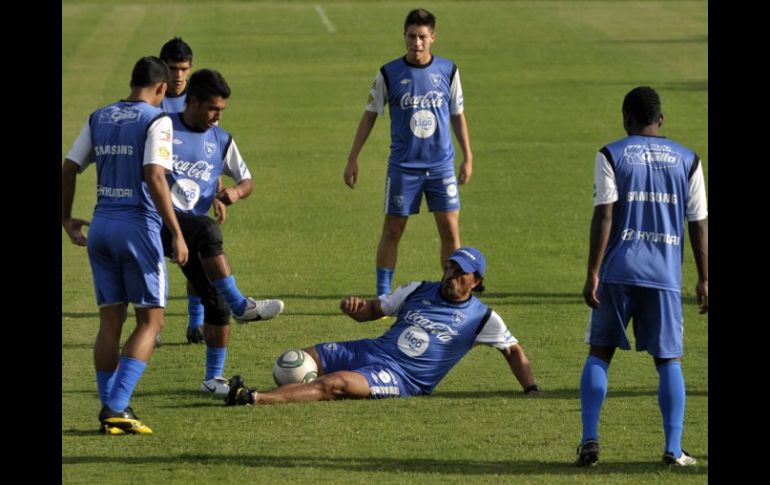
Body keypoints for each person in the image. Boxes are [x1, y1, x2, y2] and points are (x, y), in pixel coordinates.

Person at [575, 86, 708, 467]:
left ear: (626, 119)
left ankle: (589, 441)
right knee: (669, 361)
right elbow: (699, 223)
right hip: (664, 276)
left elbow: (605, 215)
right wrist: (704, 279)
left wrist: (593, 273)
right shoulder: (689, 159)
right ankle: (673, 447)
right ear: (661, 120)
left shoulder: (611, 154)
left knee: (600, 353)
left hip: (617, 272)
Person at [223, 247, 540, 406]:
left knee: (337, 384)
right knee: (298, 359)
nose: (450, 276)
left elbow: (512, 350)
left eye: (461, 273)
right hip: (372, 348)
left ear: (477, 281)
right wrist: (356, 309)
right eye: (449, 267)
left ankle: (257, 398)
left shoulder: (481, 317)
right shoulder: (418, 288)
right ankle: (283, 390)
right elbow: (374, 310)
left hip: (402, 377)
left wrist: (531, 389)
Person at [61, 56, 189, 435]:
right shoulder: (157, 119)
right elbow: (154, 174)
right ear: (162, 89)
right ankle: (116, 406)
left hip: (101, 226)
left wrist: (66, 219)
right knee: (152, 319)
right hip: (137, 227)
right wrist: (177, 231)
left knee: (110, 321)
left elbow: (68, 167)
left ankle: (112, 408)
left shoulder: (99, 116)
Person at [163, 68, 284, 397]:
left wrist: (235, 192)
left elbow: (247, 180)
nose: (217, 116)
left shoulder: (221, 139)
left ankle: (212, 378)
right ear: (193, 102)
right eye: (213, 108)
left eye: (222, 111)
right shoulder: (163, 129)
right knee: (208, 231)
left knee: (213, 301)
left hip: (193, 231)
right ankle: (241, 305)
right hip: (158, 221)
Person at [343, 8, 473, 296]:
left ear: (433, 38)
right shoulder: (388, 73)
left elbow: (457, 115)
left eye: (422, 37)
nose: (417, 43)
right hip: (404, 167)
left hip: (441, 166)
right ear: (404, 37)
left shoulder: (449, 71)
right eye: (412, 36)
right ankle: (382, 295)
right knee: (392, 230)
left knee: (450, 232)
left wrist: (468, 156)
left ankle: (451, 293)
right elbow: (369, 115)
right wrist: (353, 158)